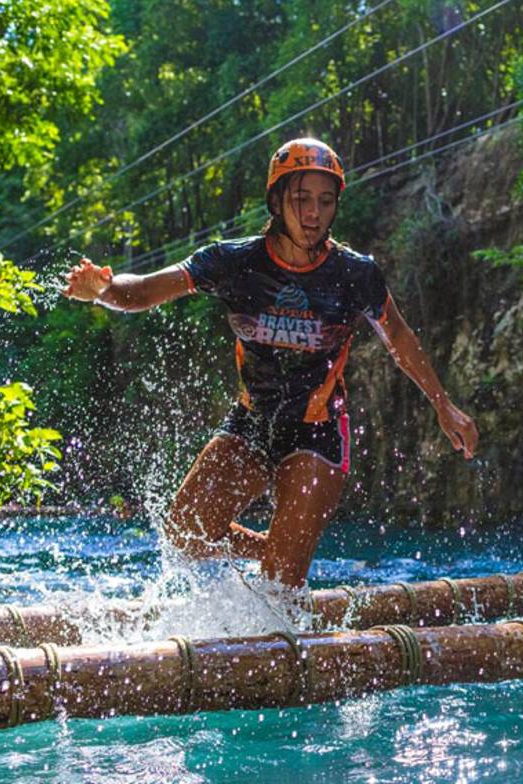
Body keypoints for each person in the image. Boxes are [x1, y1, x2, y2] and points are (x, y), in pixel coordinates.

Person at [63, 137, 479, 587]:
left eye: (324, 201)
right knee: (182, 532)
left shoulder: (355, 274)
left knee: (280, 585)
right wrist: (103, 291)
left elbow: (397, 334)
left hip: (318, 432)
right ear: (277, 201)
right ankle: (276, 551)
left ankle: (284, 562)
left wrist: (442, 404)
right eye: (301, 199)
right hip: (251, 422)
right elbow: (141, 291)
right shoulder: (233, 262)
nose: (313, 213)